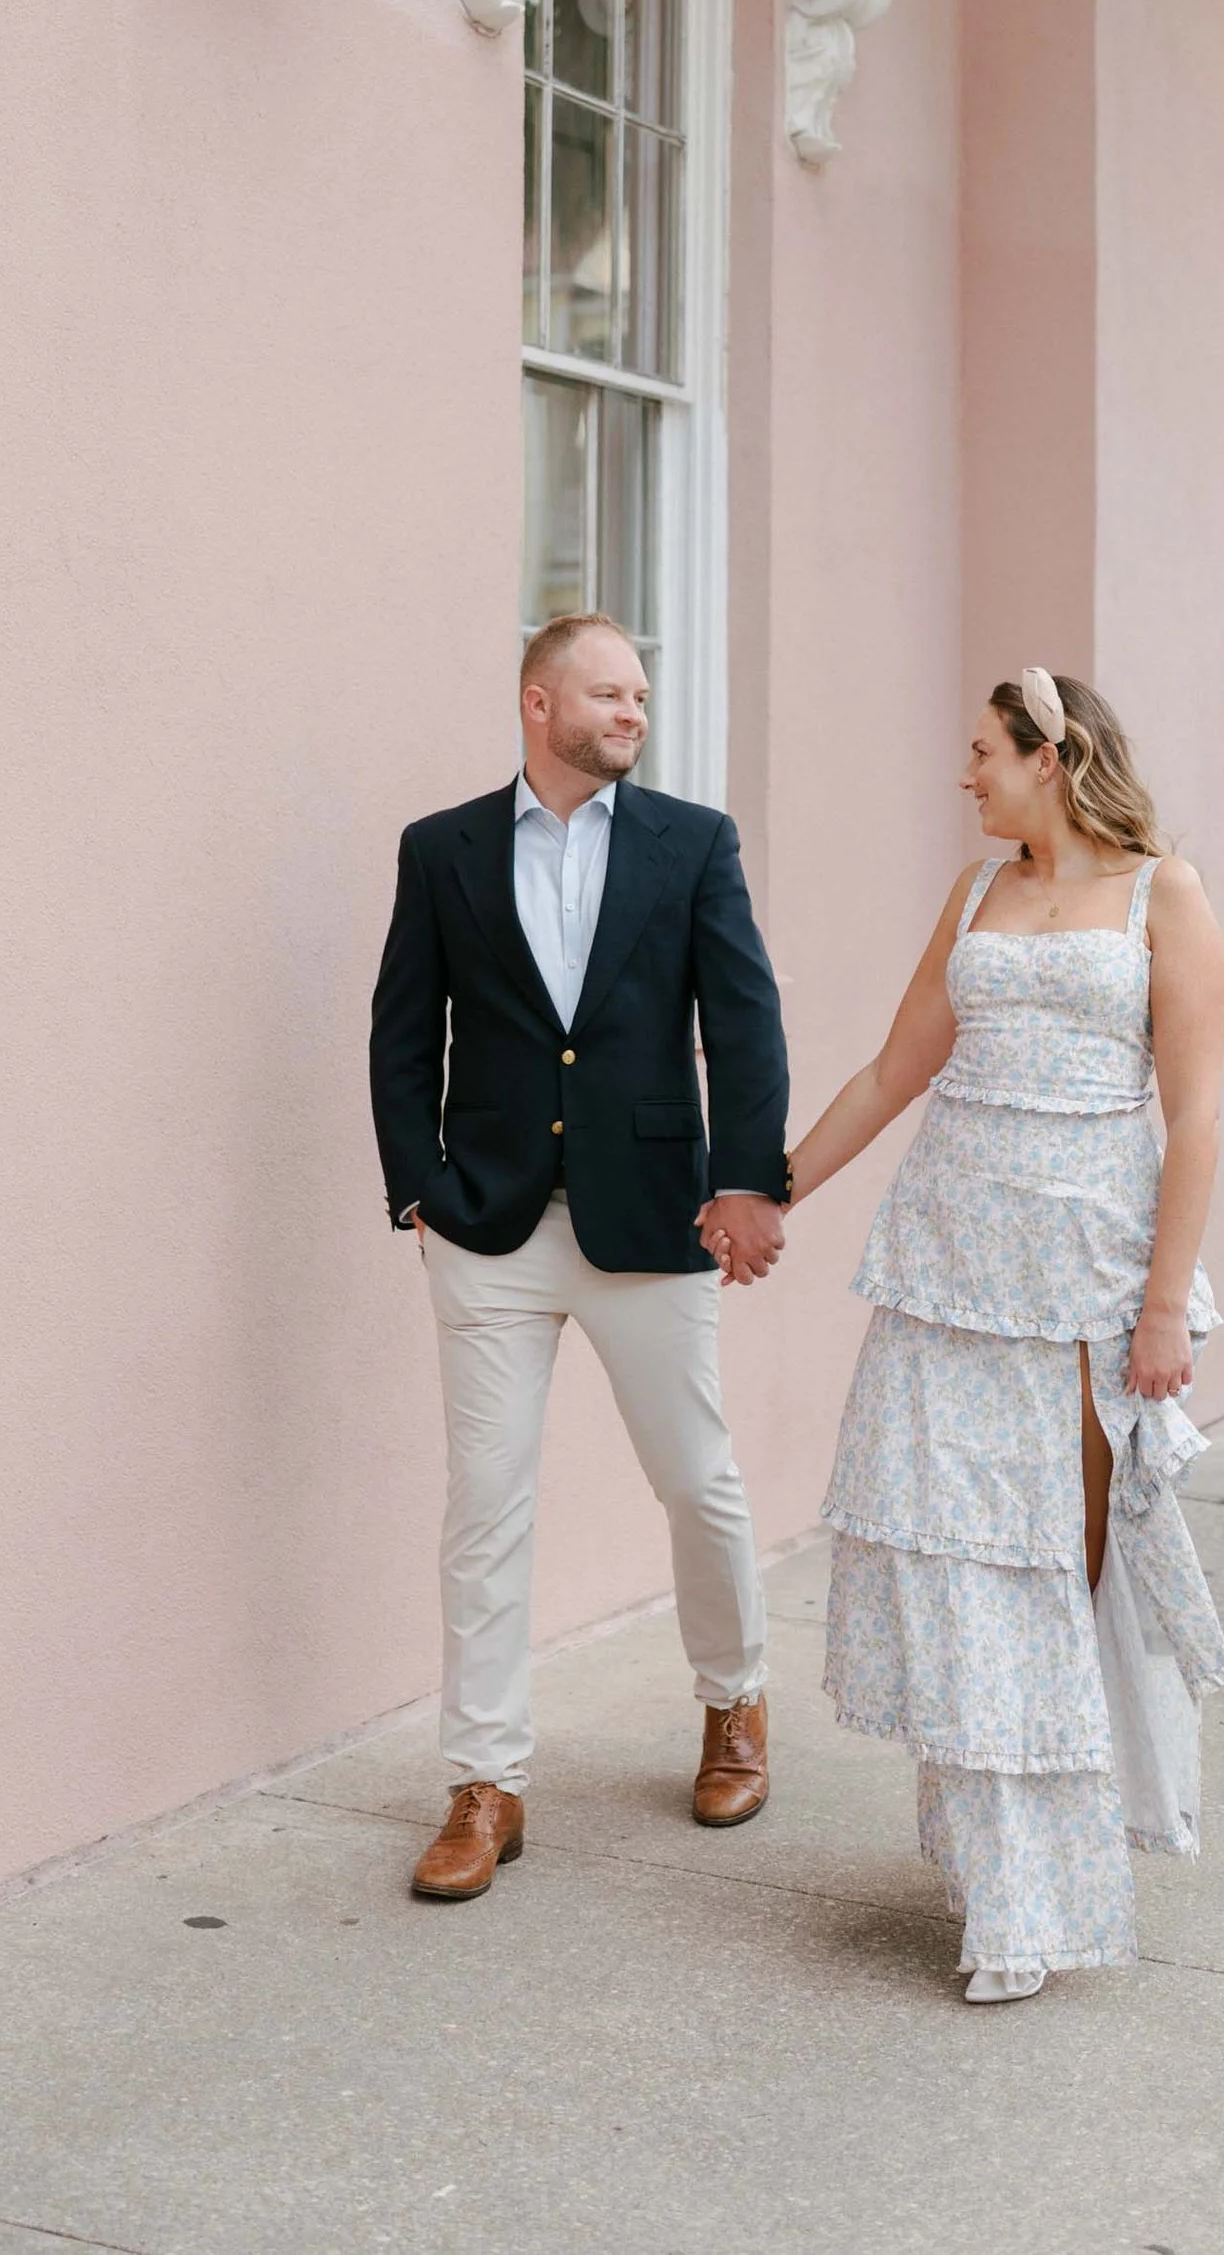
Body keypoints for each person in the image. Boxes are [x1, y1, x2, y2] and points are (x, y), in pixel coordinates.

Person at [788, 666, 1224, 2002]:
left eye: (984, 751)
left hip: (1085, 1294)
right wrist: (769, 1188)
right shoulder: (974, 894)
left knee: (1054, 1581)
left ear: (1054, 755)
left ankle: (1049, 1887)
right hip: (944, 1278)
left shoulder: (1166, 895)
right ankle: (1002, 1886)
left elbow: (1197, 1116)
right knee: (956, 1573)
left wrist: (1164, 1305)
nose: (966, 773)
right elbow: (893, 1071)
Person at [369, 613, 792, 1901]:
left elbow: (746, 1017)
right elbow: (402, 1030)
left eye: (642, 698)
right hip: (489, 1228)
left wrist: (746, 1181)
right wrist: (419, 1191)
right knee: (485, 1506)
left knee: (696, 1481)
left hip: (651, 1223)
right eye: (610, 694)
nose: (634, 715)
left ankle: (734, 1701)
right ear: (537, 703)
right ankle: (484, 1783)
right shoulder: (441, 849)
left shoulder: (693, 842)